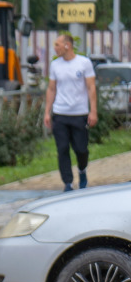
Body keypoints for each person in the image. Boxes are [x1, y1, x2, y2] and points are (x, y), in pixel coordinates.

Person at [44, 33, 97, 192]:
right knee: (62, 149)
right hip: (60, 114)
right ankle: (67, 182)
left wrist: (93, 111)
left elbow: (91, 87)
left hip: (79, 113)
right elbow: (51, 89)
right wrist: (47, 112)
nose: (55, 48)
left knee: (81, 149)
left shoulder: (84, 63)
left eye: (58, 45)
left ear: (67, 45)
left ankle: (82, 170)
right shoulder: (55, 65)